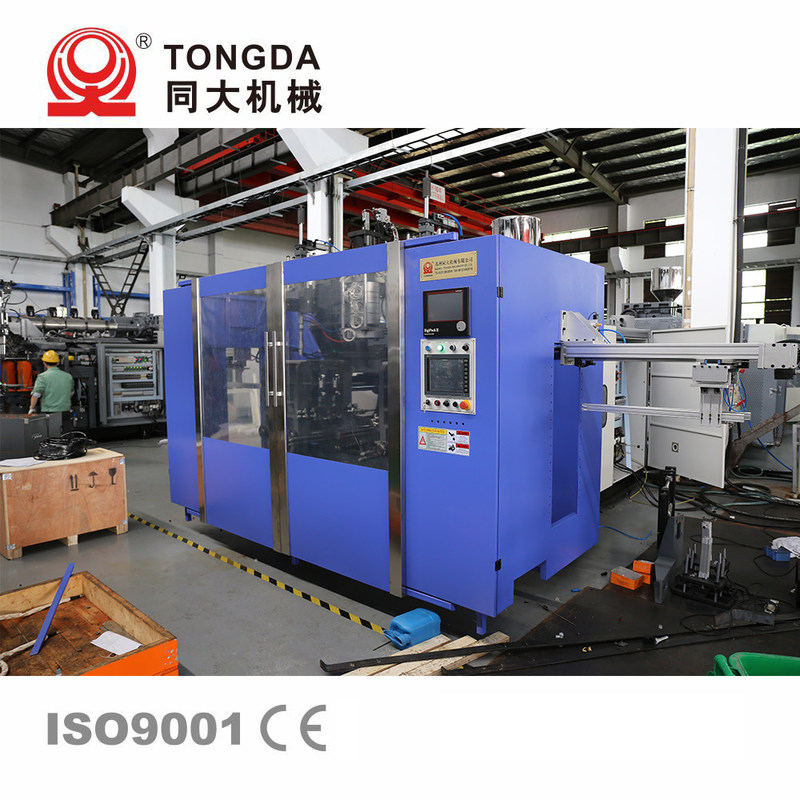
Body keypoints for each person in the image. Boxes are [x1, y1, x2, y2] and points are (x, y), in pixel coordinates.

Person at [27, 350, 74, 433]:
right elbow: (71, 393)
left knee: (51, 435)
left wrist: (32, 408)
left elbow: (36, 395)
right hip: (65, 411)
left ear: (44, 363)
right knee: (66, 435)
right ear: (58, 362)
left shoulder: (42, 377)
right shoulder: (68, 376)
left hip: (50, 412)